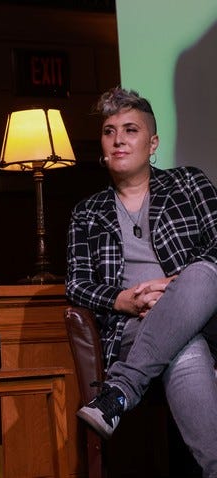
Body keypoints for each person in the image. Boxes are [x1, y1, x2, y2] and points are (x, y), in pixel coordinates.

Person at [66, 86, 217, 476]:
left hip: (204, 313)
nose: (118, 139)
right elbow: (77, 284)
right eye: (109, 131)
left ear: (153, 144)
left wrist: (174, 288)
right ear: (102, 147)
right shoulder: (87, 212)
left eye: (130, 130)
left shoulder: (188, 183)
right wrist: (123, 300)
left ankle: (120, 391)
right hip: (136, 325)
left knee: (204, 272)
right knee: (186, 348)